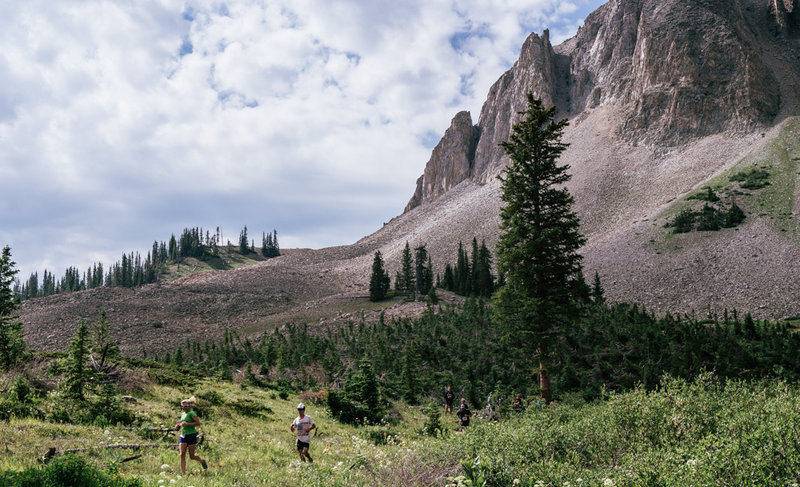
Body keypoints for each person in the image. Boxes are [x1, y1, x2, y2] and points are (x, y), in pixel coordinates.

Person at [175, 396, 207, 474]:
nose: (183, 408)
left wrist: (188, 424)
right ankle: (184, 474)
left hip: (191, 435)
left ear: (189, 406)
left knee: (192, 456)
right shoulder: (183, 414)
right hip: (183, 435)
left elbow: (198, 423)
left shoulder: (192, 413)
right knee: (182, 454)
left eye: (185, 406)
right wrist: (178, 426)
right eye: (182, 406)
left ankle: (202, 461)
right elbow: (183, 423)